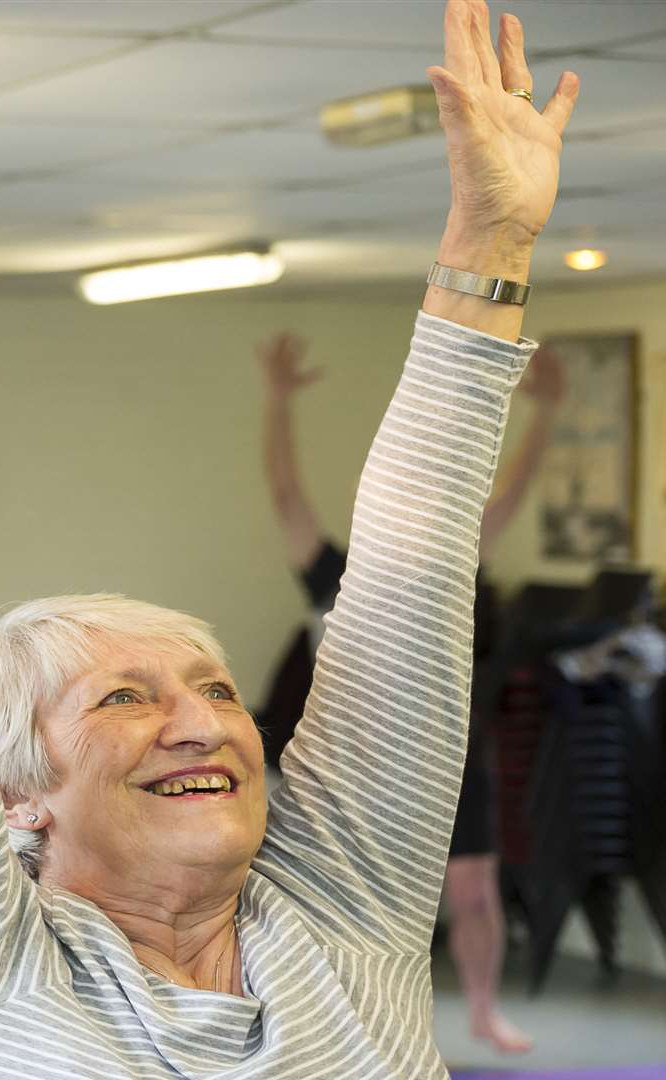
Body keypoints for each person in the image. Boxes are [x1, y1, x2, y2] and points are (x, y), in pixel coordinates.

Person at [0, 3, 576, 1074]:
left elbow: (413, 570)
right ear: (15, 796)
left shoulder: (346, 903)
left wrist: (491, 241)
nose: (200, 723)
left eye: (214, 689)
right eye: (124, 696)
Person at [256, 329, 565, 1055]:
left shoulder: (448, 564)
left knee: (473, 894)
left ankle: (483, 1011)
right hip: (354, 756)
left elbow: (510, 493)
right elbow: (284, 491)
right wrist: (277, 401)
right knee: (342, 902)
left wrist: (545, 413)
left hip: (447, 749)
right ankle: (345, 1023)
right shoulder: (328, 570)